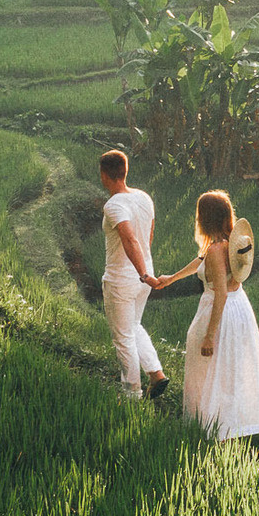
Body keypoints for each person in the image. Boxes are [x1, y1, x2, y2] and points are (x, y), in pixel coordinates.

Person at [151, 190, 259, 439]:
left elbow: (219, 293)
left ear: (204, 219)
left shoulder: (217, 251)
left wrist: (210, 334)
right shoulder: (232, 244)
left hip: (221, 310)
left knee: (208, 367)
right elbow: (200, 261)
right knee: (231, 368)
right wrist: (172, 278)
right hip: (239, 308)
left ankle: (210, 426)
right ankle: (232, 423)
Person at [95, 149, 168, 401]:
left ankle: (131, 395)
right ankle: (156, 373)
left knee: (123, 338)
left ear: (105, 175)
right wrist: (147, 273)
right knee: (133, 326)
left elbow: (130, 239)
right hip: (143, 277)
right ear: (125, 171)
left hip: (123, 280)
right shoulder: (143, 198)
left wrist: (143, 274)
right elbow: (148, 235)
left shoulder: (114, 205)